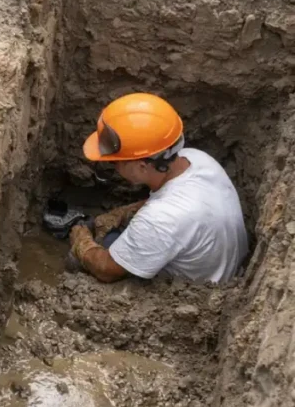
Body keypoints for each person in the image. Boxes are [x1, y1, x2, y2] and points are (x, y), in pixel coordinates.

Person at [67, 92, 248, 284]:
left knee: (100, 250)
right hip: (220, 265)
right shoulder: (197, 159)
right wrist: (121, 213)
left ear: (142, 167)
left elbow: (106, 269)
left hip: (196, 291)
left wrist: (82, 243)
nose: (114, 167)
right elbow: (170, 207)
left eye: (115, 163)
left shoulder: (159, 220)